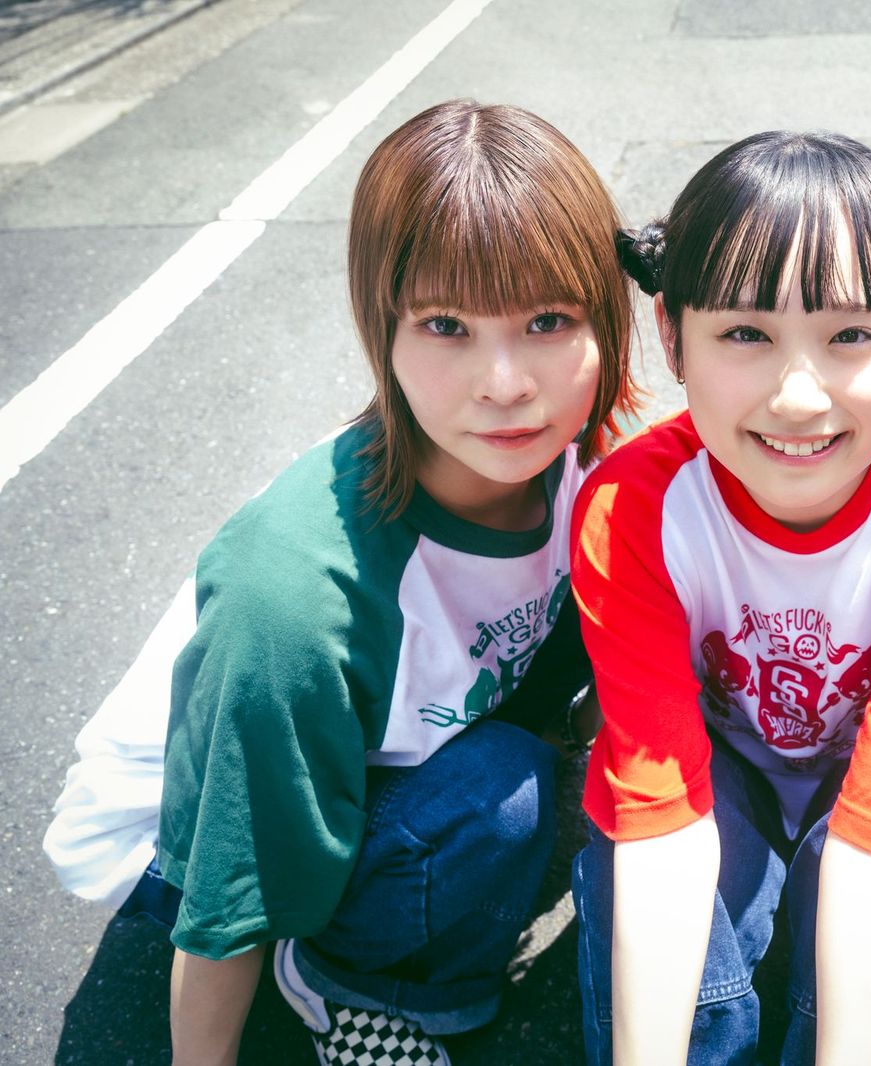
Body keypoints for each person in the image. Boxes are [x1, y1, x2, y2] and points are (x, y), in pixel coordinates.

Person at [45, 99, 634, 1066]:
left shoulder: (573, 460)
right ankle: (343, 981)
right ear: (381, 331)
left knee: (574, 771)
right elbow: (228, 881)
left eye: (547, 320)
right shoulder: (297, 602)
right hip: (185, 842)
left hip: (351, 746)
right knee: (507, 796)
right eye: (445, 325)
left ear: (606, 319)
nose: (505, 382)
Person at [570, 130, 871, 1065]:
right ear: (672, 334)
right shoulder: (630, 510)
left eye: (851, 335)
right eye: (745, 334)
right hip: (715, 770)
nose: (797, 398)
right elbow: (661, 820)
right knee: (673, 985)